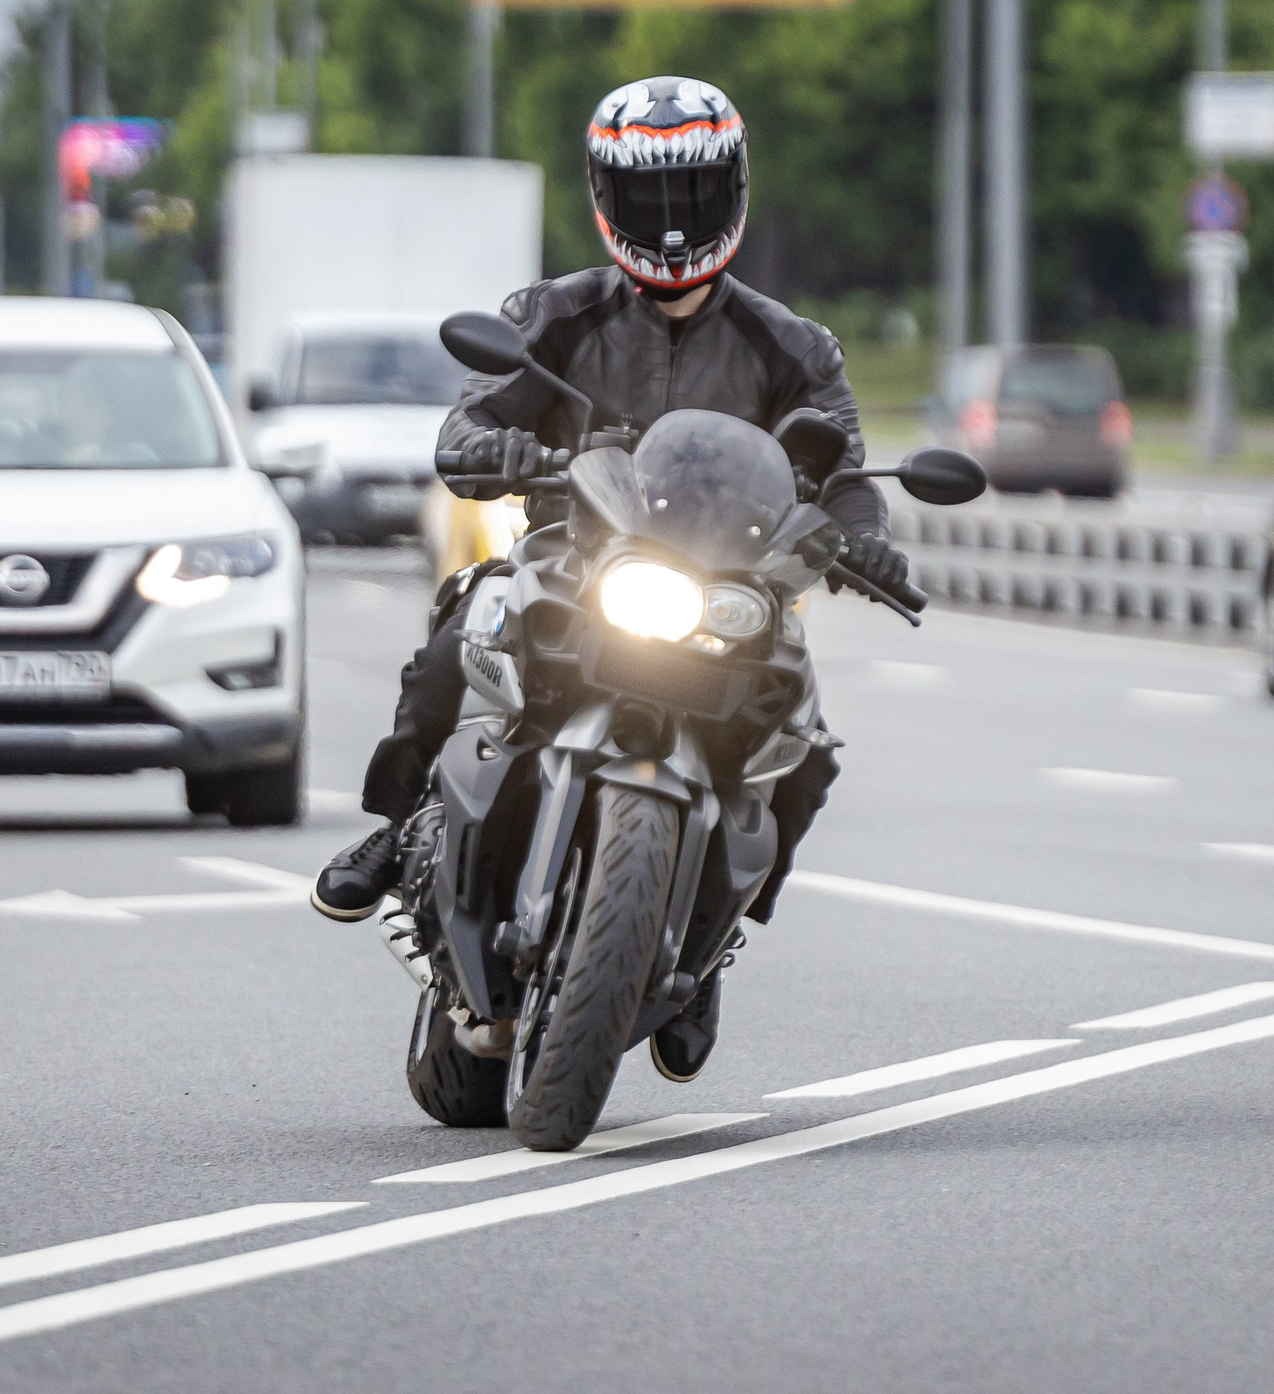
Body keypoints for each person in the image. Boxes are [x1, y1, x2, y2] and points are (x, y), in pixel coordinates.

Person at [309, 75, 912, 1082]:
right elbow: (471, 419)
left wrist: (865, 537)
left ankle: (711, 944)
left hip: (729, 585)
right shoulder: (555, 315)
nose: (670, 224)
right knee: (466, 623)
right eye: (646, 200)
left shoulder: (792, 347)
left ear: (733, 191)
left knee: (802, 745)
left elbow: (844, 471)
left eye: (691, 196)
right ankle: (391, 825)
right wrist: (494, 450)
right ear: (606, 198)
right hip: (576, 555)